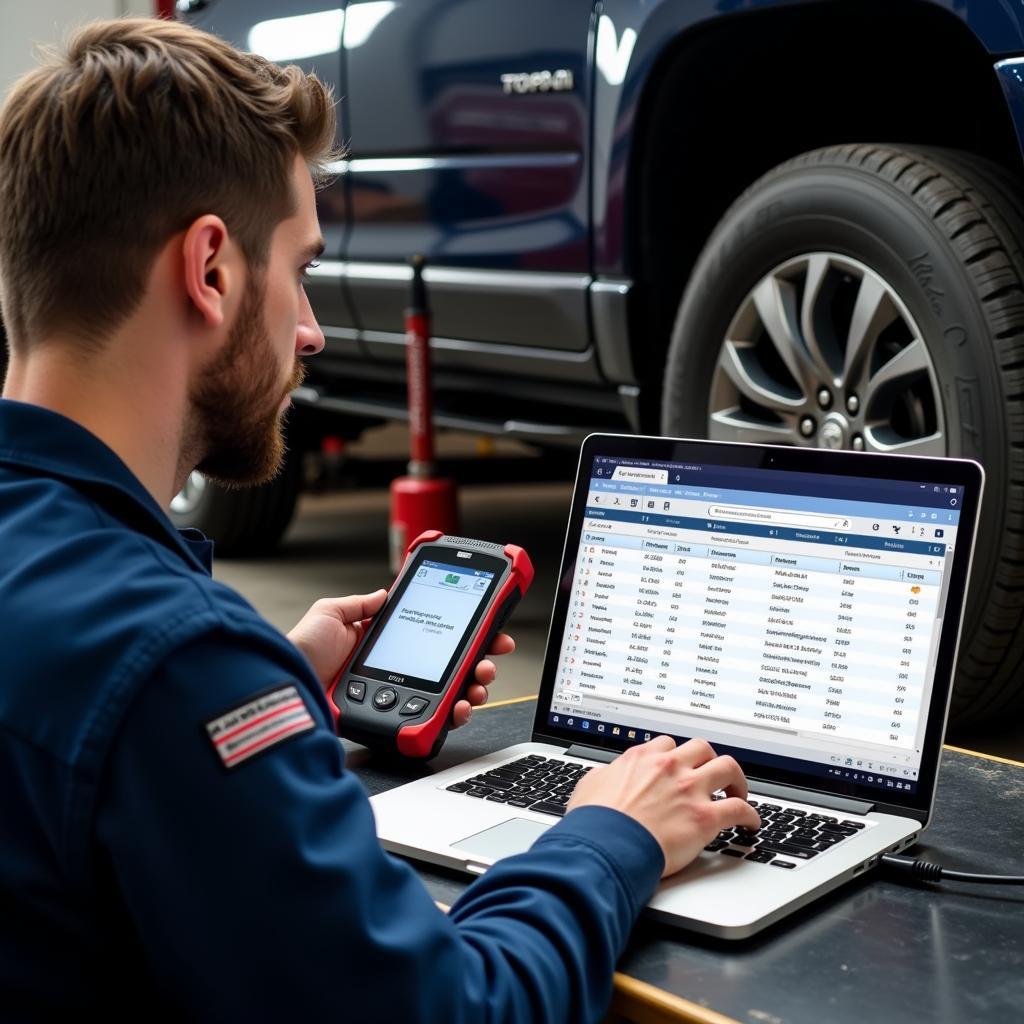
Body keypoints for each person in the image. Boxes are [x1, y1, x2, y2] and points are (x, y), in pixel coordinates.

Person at [0, 17, 760, 1021]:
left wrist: (269, 683)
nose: (310, 330)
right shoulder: (176, 667)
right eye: (303, 268)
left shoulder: (135, 639)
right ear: (213, 269)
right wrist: (609, 832)